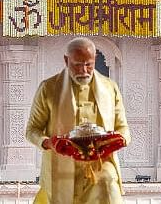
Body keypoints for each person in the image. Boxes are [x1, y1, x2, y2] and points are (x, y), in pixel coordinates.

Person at [25, 37, 131, 204]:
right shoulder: (49, 88)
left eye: (88, 64)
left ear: (95, 59)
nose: (84, 70)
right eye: (77, 64)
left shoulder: (110, 88)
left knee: (108, 187)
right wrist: (49, 143)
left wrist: (117, 140)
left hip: (100, 164)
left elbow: (123, 128)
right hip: (62, 165)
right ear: (66, 60)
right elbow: (32, 130)